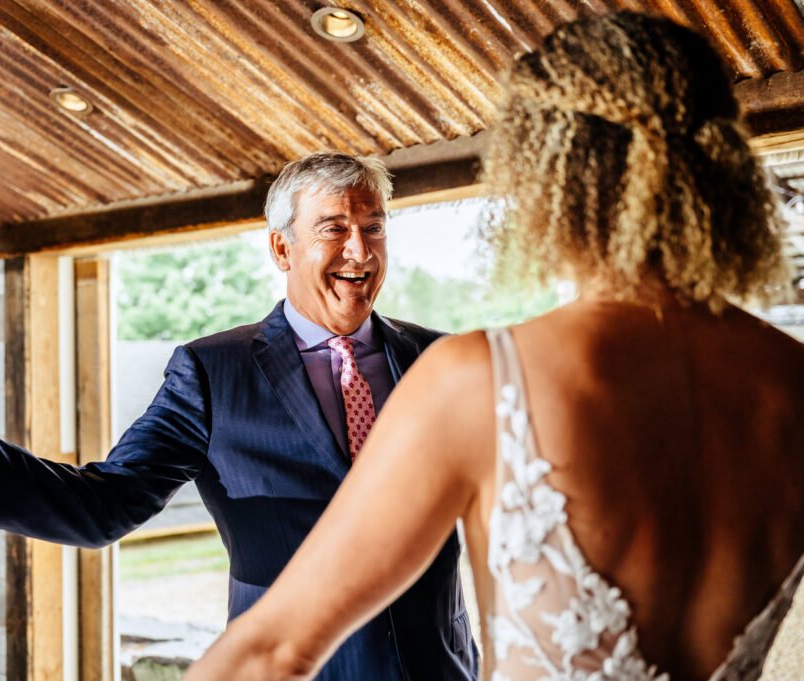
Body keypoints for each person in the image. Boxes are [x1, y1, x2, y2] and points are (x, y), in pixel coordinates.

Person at [183, 12, 804, 681]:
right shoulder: (790, 380)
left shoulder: (484, 378)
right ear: (720, 165)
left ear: (546, 172)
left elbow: (273, 650)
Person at [0, 152, 480, 680]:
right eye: (333, 229)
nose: (360, 251)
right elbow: (104, 505)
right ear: (282, 250)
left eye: (374, 227)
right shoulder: (211, 372)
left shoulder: (442, 359)